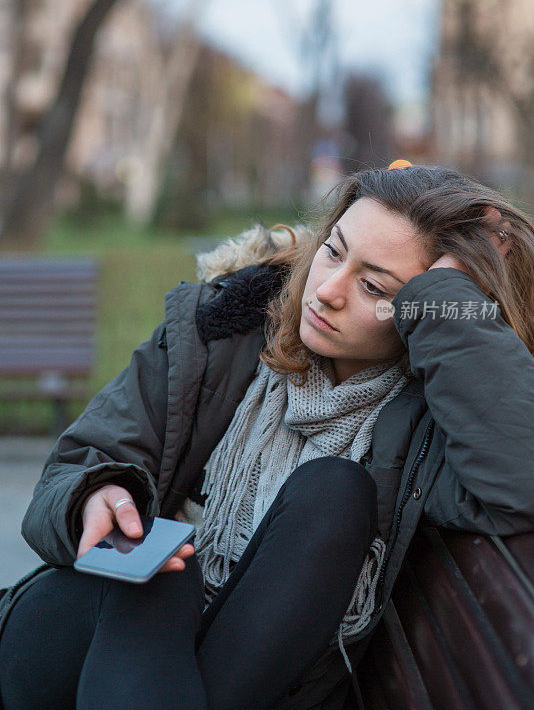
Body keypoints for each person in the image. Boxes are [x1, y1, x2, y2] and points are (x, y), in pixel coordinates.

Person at [1, 163, 534, 710]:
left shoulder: (431, 422)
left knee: (335, 490)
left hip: (232, 673)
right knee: (166, 570)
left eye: (374, 285)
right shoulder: (221, 330)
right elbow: (80, 460)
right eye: (332, 250)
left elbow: (519, 477)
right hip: (84, 626)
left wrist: (449, 296)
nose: (326, 291)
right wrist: (96, 494)